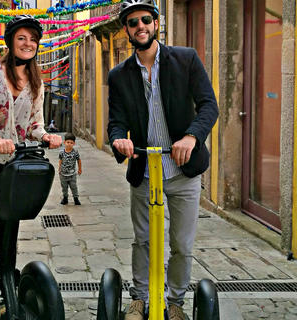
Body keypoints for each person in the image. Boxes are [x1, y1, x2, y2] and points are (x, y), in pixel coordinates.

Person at [106, 0, 219, 319]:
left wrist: (192, 136)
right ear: (126, 30)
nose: (140, 26)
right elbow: (115, 122)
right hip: (144, 170)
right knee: (142, 240)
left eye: (145, 19)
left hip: (184, 171)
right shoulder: (119, 75)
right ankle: (140, 298)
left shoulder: (186, 59)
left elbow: (209, 106)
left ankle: (175, 303)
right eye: (132, 22)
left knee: (182, 244)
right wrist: (118, 140)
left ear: (156, 23)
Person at [0, 15, 62, 317]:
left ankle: (9, 291)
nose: (28, 43)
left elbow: (33, 124)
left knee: (9, 231)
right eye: (22, 38)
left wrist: (45, 135)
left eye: (33, 39)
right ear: (11, 41)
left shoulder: (36, 82)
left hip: (11, 166)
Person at [58, 132, 82, 205]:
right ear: (64, 142)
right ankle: (65, 198)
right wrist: (59, 168)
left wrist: (79, 169)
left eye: (71, 143)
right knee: (64, 187)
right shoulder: (62, 152)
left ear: (74, 144)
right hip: (63, 174)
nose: (69, 144)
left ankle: (76, 198)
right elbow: (60, 160)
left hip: (72, 174)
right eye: (68, 142)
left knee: (74, 186)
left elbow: (79, 160)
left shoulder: (75, 152)